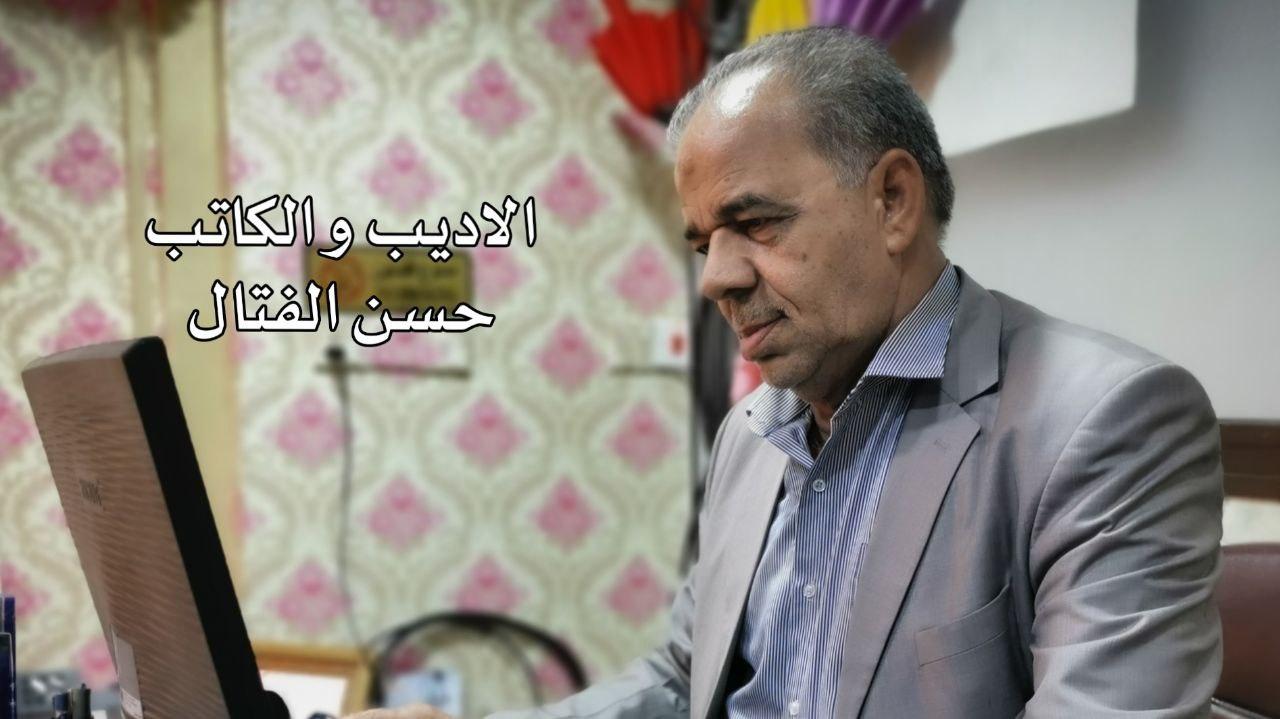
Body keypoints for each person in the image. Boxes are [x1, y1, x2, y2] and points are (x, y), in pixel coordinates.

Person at [351, 27, 1223, 719]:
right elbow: (686, 675)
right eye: (704, 242)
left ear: (892, 200)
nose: (716, 279)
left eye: (755, 222)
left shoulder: (1109, 421)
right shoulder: (753, 430)